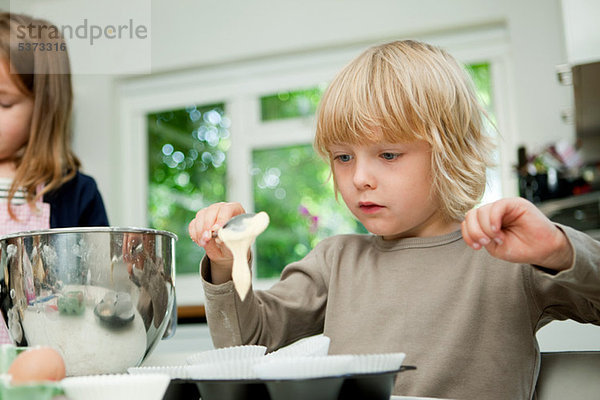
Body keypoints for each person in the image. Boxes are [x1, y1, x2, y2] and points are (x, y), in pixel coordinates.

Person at [188, 40, 600, 400]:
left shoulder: (509, 257)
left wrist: (559, 249)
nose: (360, 179)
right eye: (343, 157)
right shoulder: (335, 262)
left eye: (388, 154)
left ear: (449, 153)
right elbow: (246, 345)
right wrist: (228, 264)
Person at [0, 12, 109, 343]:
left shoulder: (76, 193)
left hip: (46, 370)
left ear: (43, 110)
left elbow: (99, 295)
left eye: (2, 102)